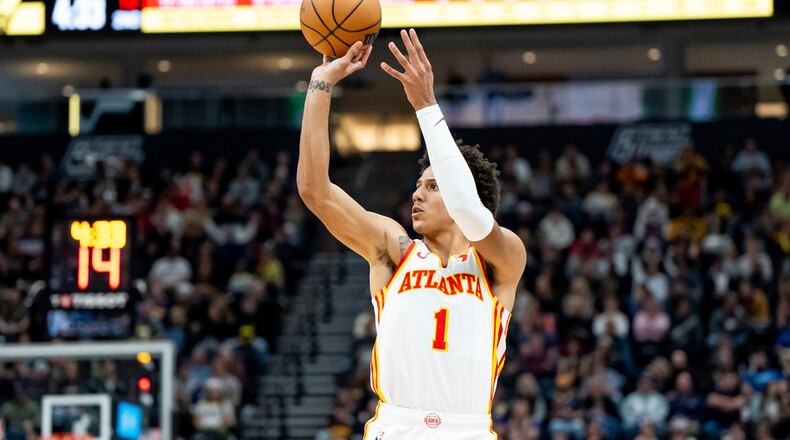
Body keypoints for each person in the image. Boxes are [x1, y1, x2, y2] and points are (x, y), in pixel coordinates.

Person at [297, 29, 526, 440]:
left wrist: (426, 106)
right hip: (396, 428)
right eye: (418, 185)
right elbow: (315, 190)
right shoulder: (395, 250)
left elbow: (469, 211)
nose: (417, 194)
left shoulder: (502, 259)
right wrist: (321, 84)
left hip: (468, 431)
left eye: (433, 186)